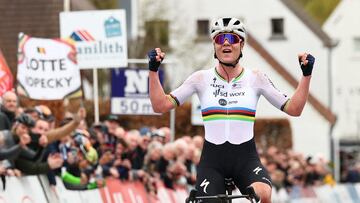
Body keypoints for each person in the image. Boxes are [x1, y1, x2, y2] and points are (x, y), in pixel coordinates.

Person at [147, 17, 315, 203]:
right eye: (220, 39)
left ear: (241, 44)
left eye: (232, 39)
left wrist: (306, 76)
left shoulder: (256, 78)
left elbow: (294, 109)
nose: (226, 43)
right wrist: (153, 72)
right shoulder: (200, 78)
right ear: (214, 45)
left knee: (264, 194)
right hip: (212, 162)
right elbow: (160, 106)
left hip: (245, 160)